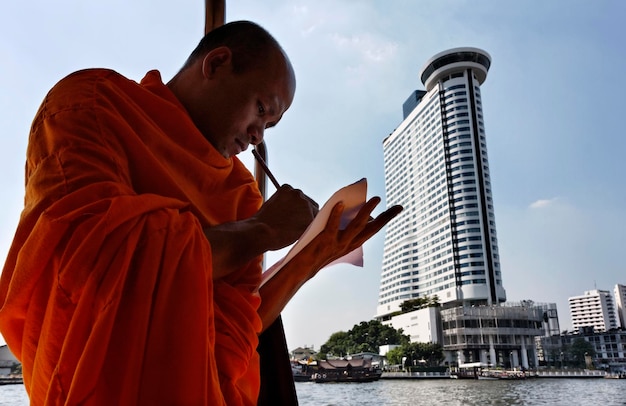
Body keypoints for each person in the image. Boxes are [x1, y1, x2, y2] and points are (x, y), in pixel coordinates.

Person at [0, 21, 402, 405]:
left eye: (270, 125)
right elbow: (94, 265)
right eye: (261, 109)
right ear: (216, 64)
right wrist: (260, 229)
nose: (258, 134)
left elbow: (236, 325)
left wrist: (310, 259)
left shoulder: (240, 192)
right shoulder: (92, 102)